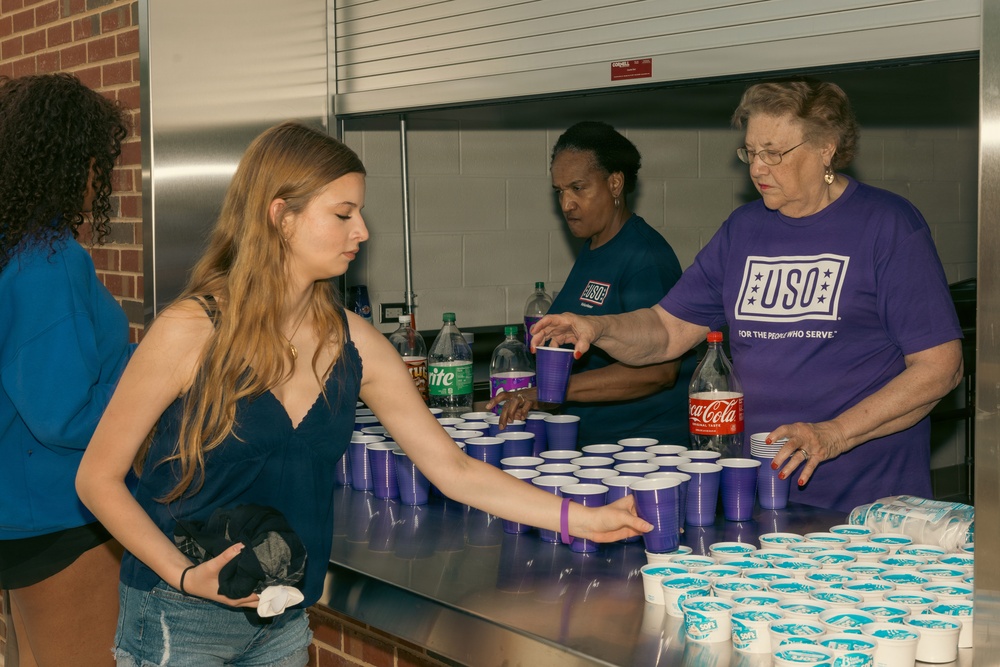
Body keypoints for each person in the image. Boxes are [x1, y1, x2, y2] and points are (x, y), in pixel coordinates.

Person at [76, 121, 649, 666]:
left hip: (283, 616)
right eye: (343, 213)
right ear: (281, 216)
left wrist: (582, 519)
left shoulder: (356, 343)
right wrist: (182, 575)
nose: (363, 232)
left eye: (361, 213)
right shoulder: (192, 329)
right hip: (179, 616)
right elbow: (97, 479)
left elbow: (454, 470)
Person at [530, 81, 964, 513]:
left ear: (825, 148)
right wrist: (597, 327)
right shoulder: (743, 230)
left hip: (867, 501)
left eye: (773, 153)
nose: (757, 169)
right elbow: (666, 329)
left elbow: (940, 368)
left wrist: (834, 434)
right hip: (759, 495)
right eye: (750, 152)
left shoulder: (887, 225)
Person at [0, 74, 131, 666]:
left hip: (25, 510)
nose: (102, 178)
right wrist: (156, 384)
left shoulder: (15, 249)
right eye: (99, 161)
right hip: (62, 513)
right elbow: (65, 415)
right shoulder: (49, 260)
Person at [487, 121, 695, 446]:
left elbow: (659, 372)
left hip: (641, 450)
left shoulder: (646, 257)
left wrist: (551, 391)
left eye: (578, 188)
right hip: (593, 446)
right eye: (560, 191)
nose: (566, 204)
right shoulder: (594, 248)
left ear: (615, 183)